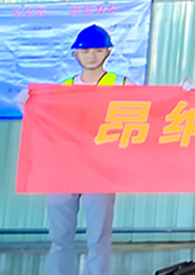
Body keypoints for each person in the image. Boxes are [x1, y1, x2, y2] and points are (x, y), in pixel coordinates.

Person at [47, 25, 128, 275]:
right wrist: (26, 102)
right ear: (75, 54)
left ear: (108, 52)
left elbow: (155, 106)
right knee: (59, 237)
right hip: (63, 170)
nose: (91, 55)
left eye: (98, 50)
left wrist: (184, 94)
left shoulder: (121, 84)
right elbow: (43, 119)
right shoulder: (63, 88)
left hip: (100, 170)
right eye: (85, 50)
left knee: (99, 237)